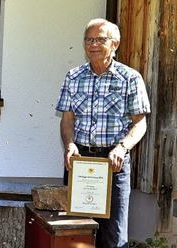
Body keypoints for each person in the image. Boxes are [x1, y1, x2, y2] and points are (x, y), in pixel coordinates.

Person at [56, 18, 150, 248]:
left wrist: (122, 148)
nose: (93, 44)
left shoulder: (130, 78)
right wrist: (69, 145)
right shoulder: (73, 76)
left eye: (100, 39)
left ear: (114, 44)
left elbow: (140, 123)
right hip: (80, 162)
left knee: (114, 236)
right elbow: (67, 120)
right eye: (89, 39)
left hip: (113, 164)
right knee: (78, 232)